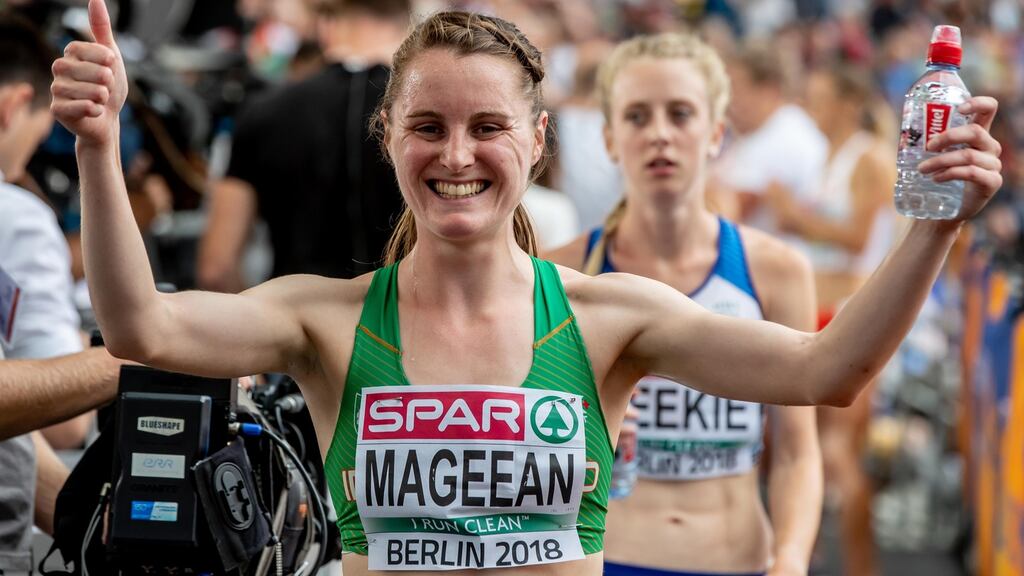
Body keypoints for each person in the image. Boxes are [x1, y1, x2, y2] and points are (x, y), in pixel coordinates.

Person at [55, 2, 1002, 575]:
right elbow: (141, 327)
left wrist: (937, 226)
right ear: (386, 136)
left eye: (487, 128)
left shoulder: (605, 316)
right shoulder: (324, 319)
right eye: (426, 126)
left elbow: (827, 369)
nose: (456, 155)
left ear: (538, 140)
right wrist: (101, 153)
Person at [545, 33, 821, 576]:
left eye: (681, 114)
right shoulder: (559, 272)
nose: (660, 135)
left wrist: (790, 559)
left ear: (716, 133)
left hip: (737, 558)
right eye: (638, 116)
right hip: (603, 559)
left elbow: (796, 450)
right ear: (608, 138)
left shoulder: (776, 270)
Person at [765, 64, 898, 576]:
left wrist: (795, 215)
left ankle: (863, 566)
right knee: (800, 444)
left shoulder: (869, 156)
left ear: (847, 101)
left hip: (851, 313)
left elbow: (859, 239)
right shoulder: (830, 156)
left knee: (840, 451)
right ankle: (803, 552)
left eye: (819, 97)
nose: (810, 108)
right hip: (819, 309)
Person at [197, 0, 411, 292]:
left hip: (296, 326)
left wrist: (268, 325)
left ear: (324, 21)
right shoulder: (433, 118)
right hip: (403, 329)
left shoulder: (265, 112)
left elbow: (216, 269)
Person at [0, 10, 92, 450]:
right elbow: (65, 426)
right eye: (40, 132)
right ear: (13, 106)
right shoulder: (16, 216)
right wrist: (127, 362)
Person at [712, 45, 827, 243]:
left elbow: (728, 216)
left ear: (769, 89)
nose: (729, 100)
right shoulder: (764, 131)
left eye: (737, 88)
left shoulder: (784, 139)